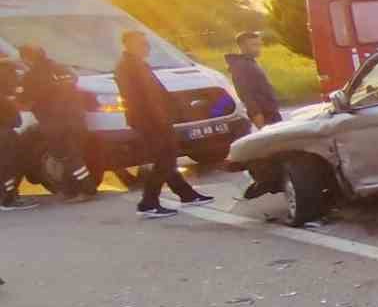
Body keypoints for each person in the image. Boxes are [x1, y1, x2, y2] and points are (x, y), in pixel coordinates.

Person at [115, 30, 211, 218]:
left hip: (157, 119)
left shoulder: (138, 64)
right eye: (142, 44)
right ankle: (148, 203)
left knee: (167, 158)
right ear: (129, 44)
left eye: (146, 43)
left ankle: (186, 194)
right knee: (164, 160)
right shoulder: (127, 67)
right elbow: (141, 99)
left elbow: (157, 94)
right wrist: (159, 120)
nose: (147, 47)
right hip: (149, 121)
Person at [19, 45, 96, 201]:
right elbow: (74, 85)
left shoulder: (31, 77)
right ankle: (70, 191)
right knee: (71, 155)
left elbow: (25, 101)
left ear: (26, 58)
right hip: (76, 119)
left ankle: (87, 189)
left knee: (68, 157)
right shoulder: (63, 69)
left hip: (54, 122)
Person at [225, 32, 283, 129]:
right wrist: (258, 119)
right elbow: (246, 94)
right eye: (254, 45)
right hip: (265, 116)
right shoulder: (241, 66)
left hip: (271, 112)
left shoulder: (250, 62)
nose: (258, 48)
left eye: (259, 45)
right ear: (242, 46)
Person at [0, 53, 35, 212]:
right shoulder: (5, 99)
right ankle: (8, 200)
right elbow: (17, 121)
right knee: (9, 167)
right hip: (5, 134)